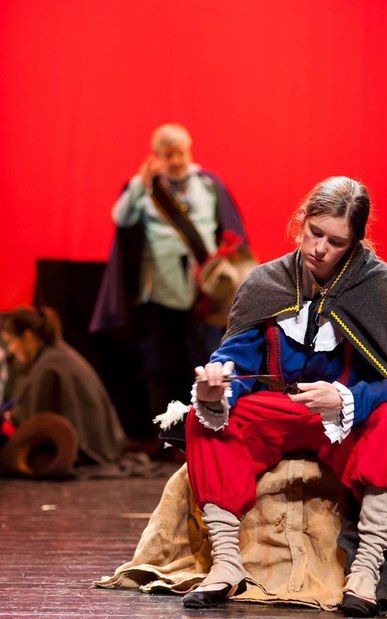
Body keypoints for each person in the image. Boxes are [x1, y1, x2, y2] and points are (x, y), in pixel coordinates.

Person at [180, 176, 387, 617]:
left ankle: (365, 572)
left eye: (336, 242)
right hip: (281, 411)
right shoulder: (267, 282)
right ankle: (226, 563)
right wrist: (217, 383)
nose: (319, 248)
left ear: (355, 243)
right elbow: (237, 356)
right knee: (203, 418)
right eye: (315, 233)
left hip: (346, 421)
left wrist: (346, 399)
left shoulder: (381, 288)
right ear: (301, 222)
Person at [89, 123, 249, 424]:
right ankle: (166, 434)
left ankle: (210, 427)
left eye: (180, 153)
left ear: (189, 151)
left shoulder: (208, 184)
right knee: (160, 366)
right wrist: (140, 183)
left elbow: (232, 232)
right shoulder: (145, 187)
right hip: (159, 292)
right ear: (157, 156)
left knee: (208, 361)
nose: (175, 160)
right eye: (168, 154)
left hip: (204, 293)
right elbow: (122, 218)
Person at [1, 306, 127, 469]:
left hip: (86, 450)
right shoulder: (57, 355)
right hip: (102, 445)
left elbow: (28, 423)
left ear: (28, 336)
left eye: (11, 341)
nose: (11, 350)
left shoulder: (48, 366)